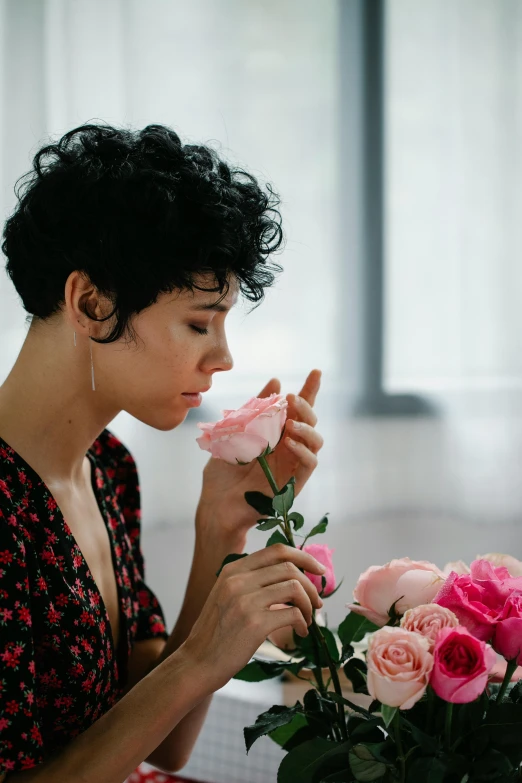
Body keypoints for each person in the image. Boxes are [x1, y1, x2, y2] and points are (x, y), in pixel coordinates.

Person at [0, 122, 325, 781]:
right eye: (200, 322)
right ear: (91, 303)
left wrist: (222, 523)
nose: (225, 356)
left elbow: (164, 744)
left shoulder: (109, 467)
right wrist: (202, 652)